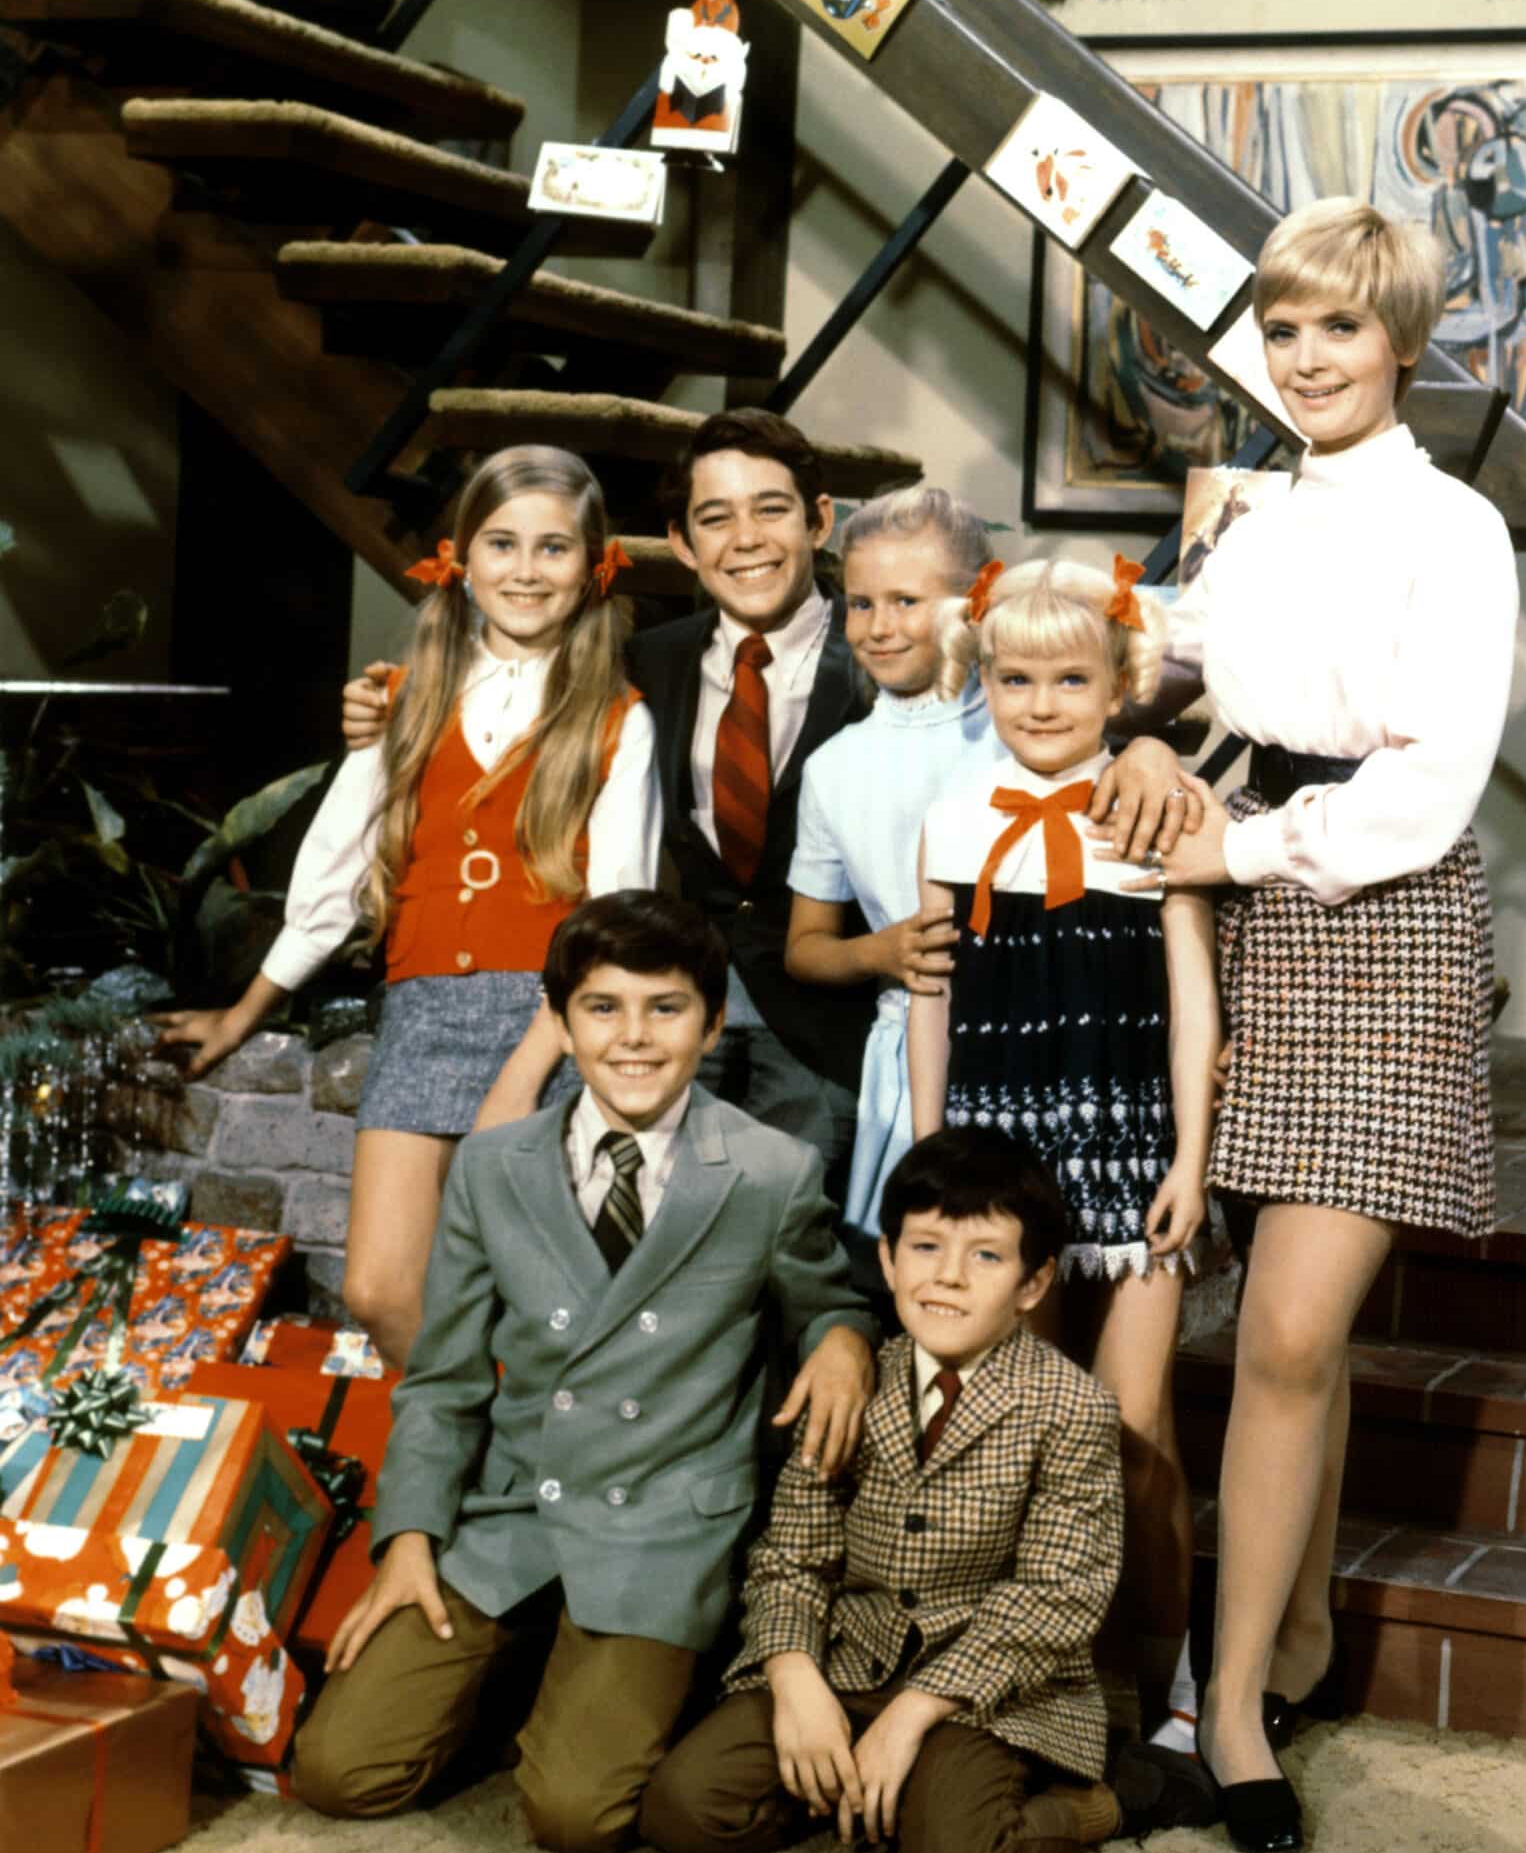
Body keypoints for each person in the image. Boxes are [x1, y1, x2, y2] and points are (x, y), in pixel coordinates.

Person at [1100, 197, 1519, 1853]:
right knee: (1289, 1334)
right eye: (1282, 330)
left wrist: (1236, 840)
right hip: (1234, 910)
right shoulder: (1251, 519)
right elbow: (1180, 671)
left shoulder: (1452, 526)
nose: (1306, 357)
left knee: (1277, 1334)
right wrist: (1145, 740)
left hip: (1376, 914)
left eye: (1338, 328)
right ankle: (1293, 1630)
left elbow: (1423, 781)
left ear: (1399, 343)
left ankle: (1234, 1710)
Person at [292, 890, 880, 1853]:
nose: (634, 1038)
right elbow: (441, 1382)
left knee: (575, 1816)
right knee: (340, 1774)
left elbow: (823, 1301)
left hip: (659, 1529)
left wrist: (844, 1342)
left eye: (666, 1008)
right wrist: (408, 1538)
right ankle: (522, 1665)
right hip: (516, 1512)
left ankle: (655, 1679)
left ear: (713, 1020)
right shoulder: (493, 1165)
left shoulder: (769, 1170)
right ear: (559, 1024)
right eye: (603, 1009)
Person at [153, 446, 661, 1369]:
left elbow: (616, 922)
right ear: (459, 559)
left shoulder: (618, 717)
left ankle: (504, 1491)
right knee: (381, 1288)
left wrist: (542, 1055)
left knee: (509, 1289)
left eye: (553, 548)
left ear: (593, 569)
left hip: (543, 1022)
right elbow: (334, 875)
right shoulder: (405, 698)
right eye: (501, 543)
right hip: (423, 1010)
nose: (524, 568)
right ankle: (470, 1452)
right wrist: (243, 1012)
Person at [641, 1126, 1218, 1853]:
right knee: (685, 1810)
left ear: (1031, 1282)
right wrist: (793, 1677)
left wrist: (914, 1713)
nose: (946, 1278)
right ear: (886, 1260)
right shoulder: (853, 1383)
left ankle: (1112, 1797)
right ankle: (885, 1792)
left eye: (984, 1255)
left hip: (989, 1690)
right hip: (849, 1663)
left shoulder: (1070, 1407)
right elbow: (790, 1559)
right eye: (924, 1247)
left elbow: (1056, 1598)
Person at [347, 410, 879, 1188]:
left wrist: (1133, 747)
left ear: (819, 521)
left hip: (821, 1028)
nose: (747, 538)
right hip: (667, 1021)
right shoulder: (644, 662)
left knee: (800, 1257)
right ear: (684, 542)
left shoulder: (883, 660)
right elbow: (505, 689)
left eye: (771, 508)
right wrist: (378, 705)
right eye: (715, 517)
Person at [908, 557, 1221, 1751]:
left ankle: (1166, 1672)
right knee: (1024, 1421)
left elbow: (1191, 1002)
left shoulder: (1155, 815)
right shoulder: (950, 814)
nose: (1041, 703)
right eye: (1015, 677)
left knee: (1133, 1425)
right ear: (981, 678)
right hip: (1002, 1159)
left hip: (1130, 1152)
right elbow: (931, 999)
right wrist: (935, 1159)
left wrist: (1188, 1155)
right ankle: (1050, 1674)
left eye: (1070, 679)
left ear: (1117, 686)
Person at [783, 486, 1001, 1251]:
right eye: (860, 603)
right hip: (910, 1057)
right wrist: (879, 952)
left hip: (1022, 1036)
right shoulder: (835, 767)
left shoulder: (1020, 727)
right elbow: (805, 943)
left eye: (906, 601)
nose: (878, 628)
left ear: (973, 600)